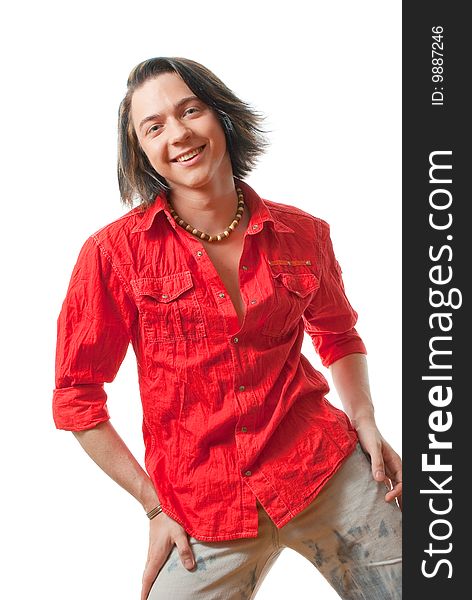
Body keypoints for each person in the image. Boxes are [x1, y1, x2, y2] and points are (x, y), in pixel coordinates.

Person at [52, 57, 402, 600]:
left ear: (221, 116)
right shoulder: (112, 254)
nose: (180, 133)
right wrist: (153, 504)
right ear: (141, 153)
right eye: (155, 126)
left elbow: (337, 334)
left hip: (323, 467)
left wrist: (366, 421)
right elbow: (77, 398)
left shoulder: (302, 234)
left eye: (191, 110)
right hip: (203, 509)